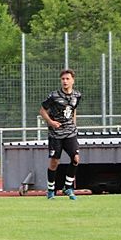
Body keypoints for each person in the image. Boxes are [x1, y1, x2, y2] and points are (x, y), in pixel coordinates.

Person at [40, 69, 82, 200]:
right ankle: (51, 190)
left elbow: (73, 110)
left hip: (70, 133)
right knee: (54, 162)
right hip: (56, 134)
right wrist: (51, 122)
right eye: (63, 79)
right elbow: (42, 111)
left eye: (67, 79)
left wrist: (74, 125)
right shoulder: (54, 96)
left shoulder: (77, 95)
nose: (65, 81)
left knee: (75, 159)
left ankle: (68, 187)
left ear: (73, 80)